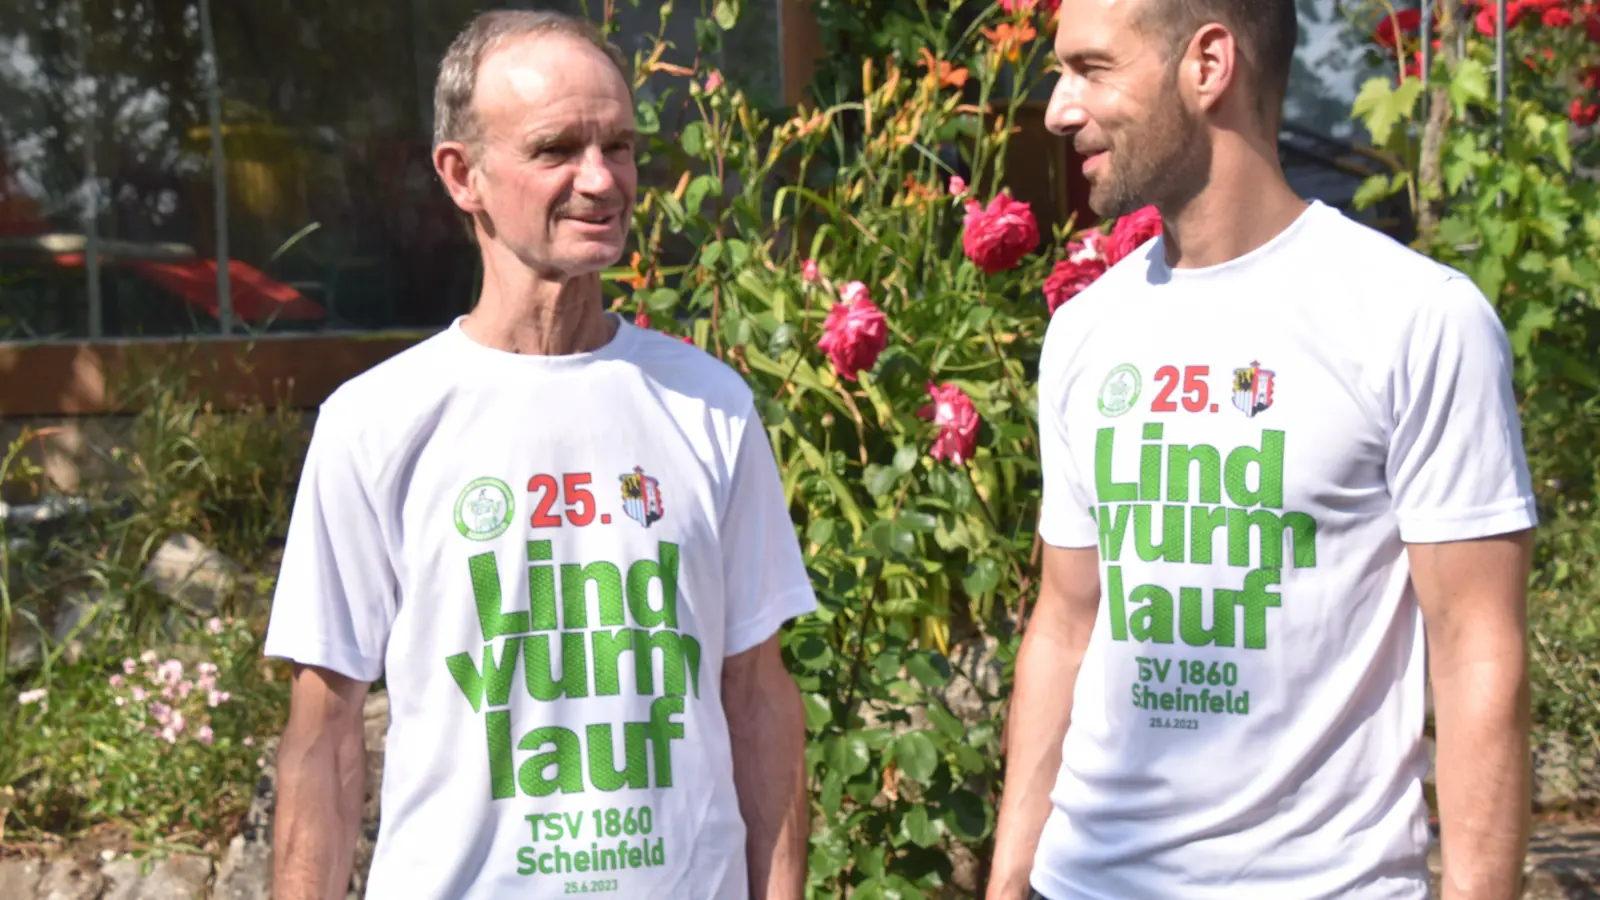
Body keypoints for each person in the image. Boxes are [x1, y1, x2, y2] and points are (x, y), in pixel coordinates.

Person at [986, 0, 1537, 896]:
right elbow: (1065, 623)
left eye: (1092, 68)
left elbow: (1479, 648)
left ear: (1208, 66)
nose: (1057, 108)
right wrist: (1012, 876)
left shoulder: (1415, 321)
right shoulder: (1086, 331)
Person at [263, 11, 815, 899]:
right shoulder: (377, 422)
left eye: (621, 147)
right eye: (557, 148)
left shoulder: (709, 405)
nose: (601, 181)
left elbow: (757, 698)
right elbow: (323, 740)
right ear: (462, 174)